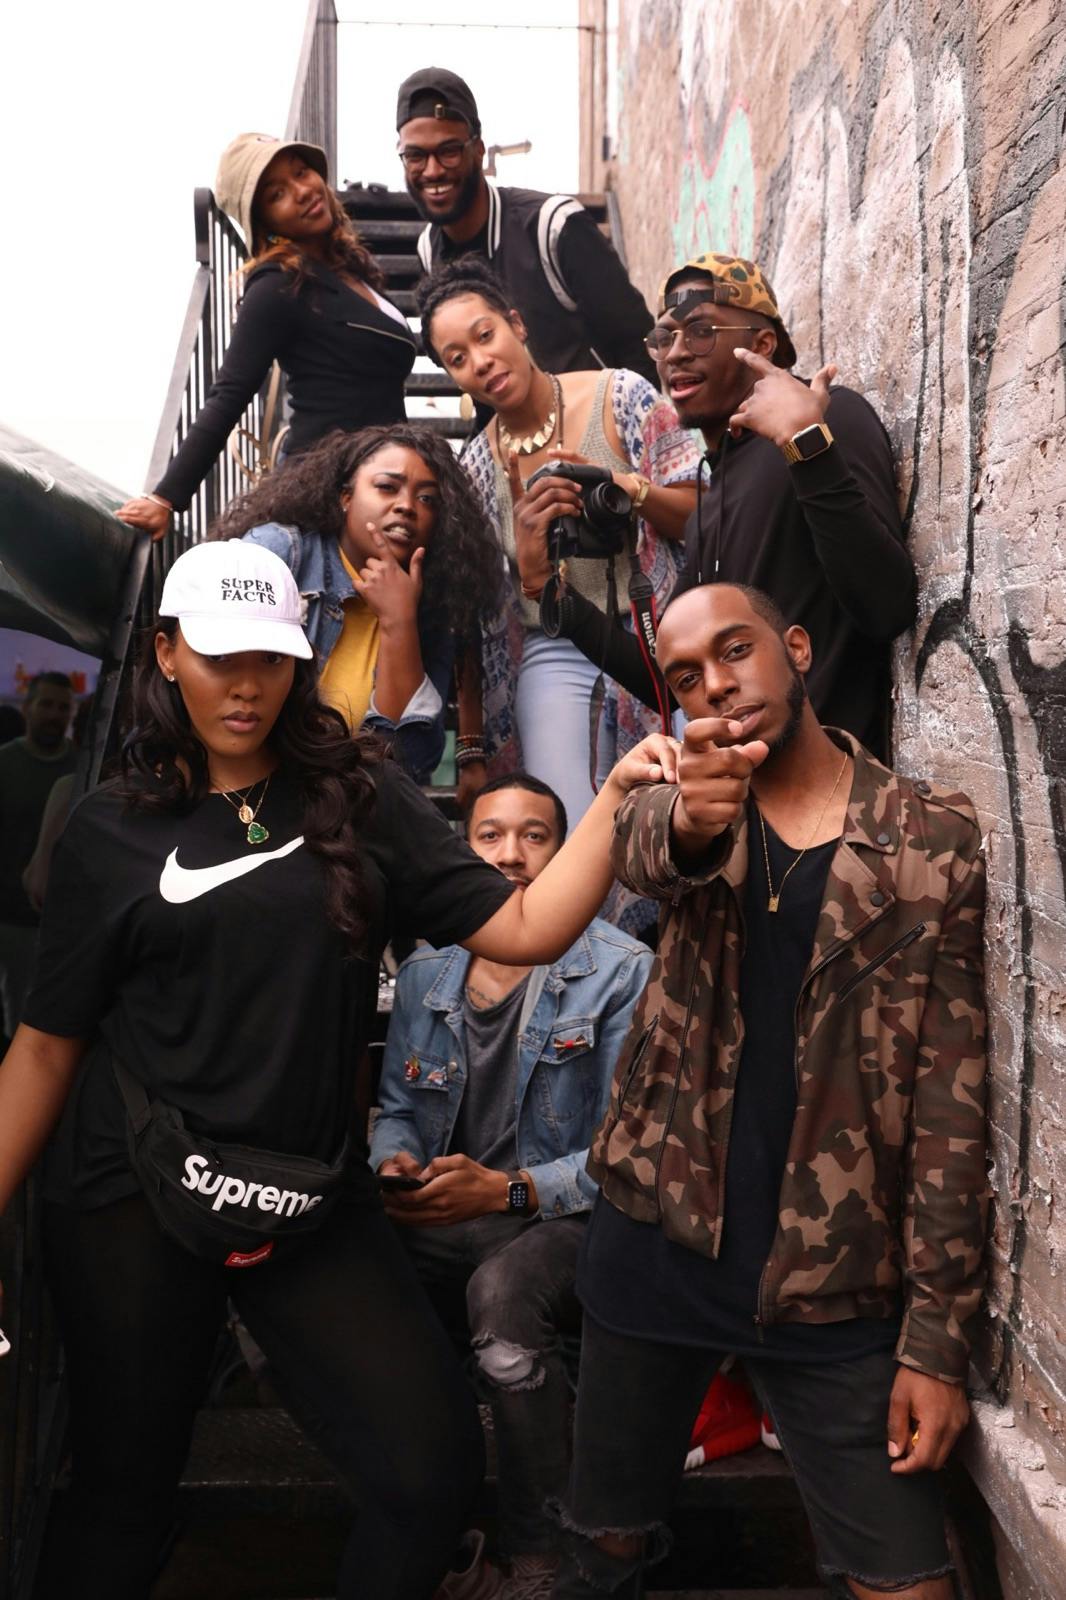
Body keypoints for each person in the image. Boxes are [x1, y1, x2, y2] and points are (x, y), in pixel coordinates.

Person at [0, 540, 678, 1600]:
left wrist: (616, 792)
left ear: (298, 659)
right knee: (121, 1493)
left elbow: (528, 922)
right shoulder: (107, 829)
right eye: (218, 657)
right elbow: (45, 1045)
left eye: (268, 658)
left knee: (430, 1473)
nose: (245, 684)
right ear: (167, 654)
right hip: (129, 1193)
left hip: (306, 1192)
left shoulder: (360, 803)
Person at [548, 583, 989, 1600]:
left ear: (794, 648)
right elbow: (656, 850)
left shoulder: (928, 839)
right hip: (653, 1250)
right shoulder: (681, 803)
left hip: (833, 1281)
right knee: (605, 1544)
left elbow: (949, 1107)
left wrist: (934, 1338)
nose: (717, 686)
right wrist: (698, 818)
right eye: (688, 677)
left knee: (907, 1582)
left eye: (735, 651)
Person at [372, 773, 653, 1600]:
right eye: (489, 835)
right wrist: (393, 1162)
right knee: (325, 1274)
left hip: (559, 1220)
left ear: (566, 854)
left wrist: (504, 1192)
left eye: (536, 835)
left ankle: (539, 1553)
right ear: (461, 852)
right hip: (445, 1211)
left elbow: (624, 1158)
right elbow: (395, 1112)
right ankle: (431, 1528)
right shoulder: (427, 974)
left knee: (501, 1297)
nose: (511, 854)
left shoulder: (619, 970)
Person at [544, 253, 917, 760]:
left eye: (700, 331)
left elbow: (887, 606)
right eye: (664, 338)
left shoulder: (826, 420)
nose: (674, 354)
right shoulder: (713, 497)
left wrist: (807, 444)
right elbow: (668, 676)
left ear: (761, 344)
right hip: (750, 802)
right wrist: (552, 594)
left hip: (835, 796)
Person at [417, 258, 699, 851]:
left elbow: (700, 511)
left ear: (517, 325)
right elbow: (469, 616)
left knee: (684, 796)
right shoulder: (472, 472)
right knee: (564, 825)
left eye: (484, 335)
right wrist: (469, 745)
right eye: (456, 357)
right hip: (557, 645)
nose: (480, 361)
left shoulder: (618, 394)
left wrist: (626, 489)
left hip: (657, 630)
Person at [118, 133, 417, 541]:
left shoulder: (349, 269)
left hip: (381, 486)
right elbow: (228, 395)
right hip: (331, 498)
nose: (302, 191)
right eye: (278, 193)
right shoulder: (277, 286)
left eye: (301, 172)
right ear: (265, 222)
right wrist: (167, 498)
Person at [212, 423, 502, 782]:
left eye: (427, 499)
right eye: (386, 487)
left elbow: (409, 762)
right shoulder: (283, 556)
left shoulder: (433, 603)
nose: (407, 506)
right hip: (255, 782)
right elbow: (220, 691)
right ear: (345, 496)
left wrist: (399, 622)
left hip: (347, 805)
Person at [397, 68, 657, 387]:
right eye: (415, 156)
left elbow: (638, 345)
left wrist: (629, 427)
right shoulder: (429, 248)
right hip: (515, 434)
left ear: (477, 150)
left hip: (599, 426)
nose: (432, 170)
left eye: (449, 151)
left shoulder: (553, 226)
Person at [0, 672, 76, 1038]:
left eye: (63, 707)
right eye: (46, 704)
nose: (54, 714)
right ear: (28, 707)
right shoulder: (5, 764)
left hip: (58, 927)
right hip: (8, 917)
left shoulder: (82, 768)